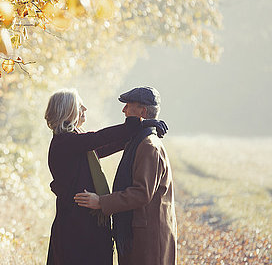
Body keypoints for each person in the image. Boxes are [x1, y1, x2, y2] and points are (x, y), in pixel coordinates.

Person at [45, 88, 153, 265]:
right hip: (76, 228)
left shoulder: (74, 142)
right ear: (68, 111)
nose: (85, 109)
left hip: (83, 222)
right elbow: (99, 138)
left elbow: (101, 148)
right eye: (80, 106)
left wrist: (140, 131)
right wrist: (132, 125)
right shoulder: (65, 142)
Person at [74, 86, 177, 265]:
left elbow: (141, 193)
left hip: (148, 237)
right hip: (140, 234)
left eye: (128, 106)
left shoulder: (148, 146)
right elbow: (100, 145)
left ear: (142, 111)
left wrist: (101, 202)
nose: (123, 110)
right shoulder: (139, 141)